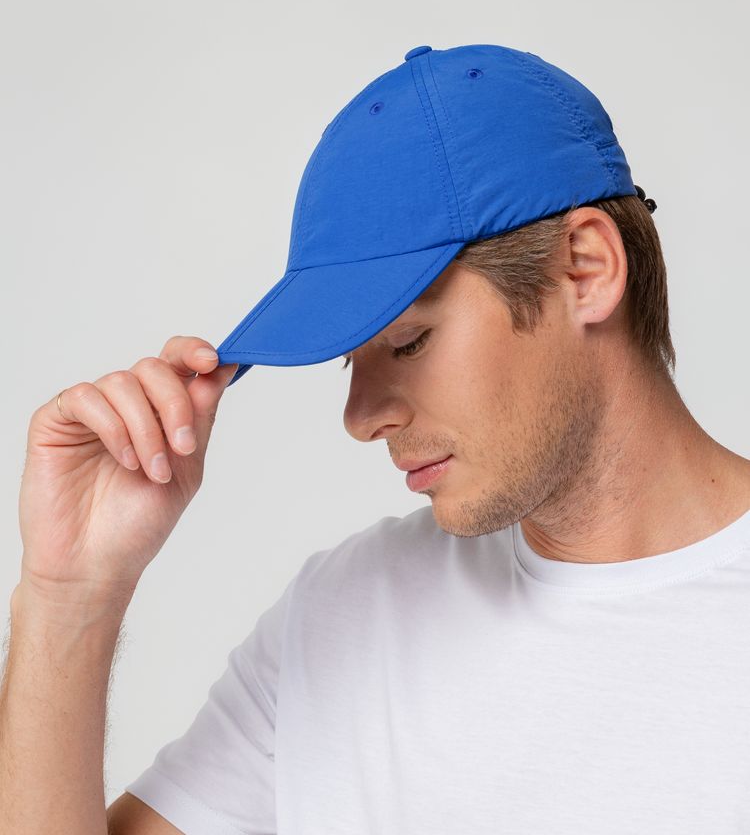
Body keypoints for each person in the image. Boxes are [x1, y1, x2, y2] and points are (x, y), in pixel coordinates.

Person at [3, 44, 750, 834]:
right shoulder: (344, 614)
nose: (361, 419)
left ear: (586, 269)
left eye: (408, 341)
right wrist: (70, 594)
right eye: (350, 360)